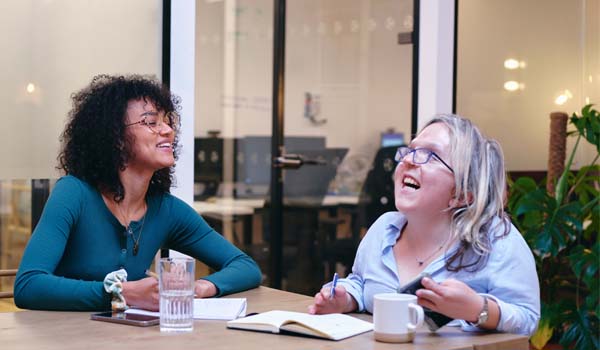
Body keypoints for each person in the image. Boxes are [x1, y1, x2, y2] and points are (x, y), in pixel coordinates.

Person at [14, 74, 262, 311]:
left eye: (167, 121)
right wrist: (121, 293)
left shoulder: (166, 210)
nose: (167, 130)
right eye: (151, 122)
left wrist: (200, 287)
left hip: (130, 338)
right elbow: (29, 285)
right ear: (115, 138)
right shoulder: (73, 193)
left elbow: (245, 266)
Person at [308, 114, 540, 336]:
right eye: (410, 150)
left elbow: (527, 320)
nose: (408, 159)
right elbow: (360, 282)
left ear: (462, 194)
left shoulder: (496, 239)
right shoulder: (384, 228)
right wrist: (346, 297)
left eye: (430, 155)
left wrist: (477, 309)